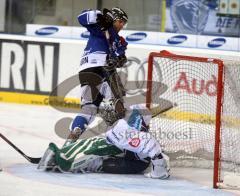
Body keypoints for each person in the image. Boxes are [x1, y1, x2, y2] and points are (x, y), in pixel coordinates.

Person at [38, 102, 170, 179]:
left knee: (96, 155)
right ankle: (67, 153)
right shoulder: (125, 126)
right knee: (94, 144)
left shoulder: (129, 130)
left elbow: (152, 147)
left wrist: (159, 171)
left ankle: (66, 159)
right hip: (126, 153)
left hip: (132, 163)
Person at [65, 7, 129, 146]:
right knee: (119, 105)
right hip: (102, 67)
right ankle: (125, 140)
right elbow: (81, 17)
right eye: (121, 21)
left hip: (86, 70)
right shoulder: (100, 27)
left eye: (124, 23)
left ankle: (71, 139)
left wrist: (118, 59)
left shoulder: (117, 38)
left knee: (89, 108)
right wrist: (98, 16)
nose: (122, 25)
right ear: (113, 18)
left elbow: (122, 58)